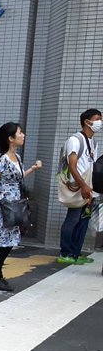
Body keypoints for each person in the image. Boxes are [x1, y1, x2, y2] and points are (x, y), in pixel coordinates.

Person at [0, 123, 43, 292]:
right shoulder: (1, 159)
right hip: (1, 206)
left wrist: (32, 169)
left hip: (14, 204)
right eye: (20, 133)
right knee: (2, 242)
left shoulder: (16, 157)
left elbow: (16, 179)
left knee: (10, 241)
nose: (23, 135)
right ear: (11, 138)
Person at [56, 108, 99, 265]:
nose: (100, 122)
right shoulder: (75, 140)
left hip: (88, 187)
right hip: (78, 186)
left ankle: (75, 252)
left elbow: (91, 166)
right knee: (73, 219)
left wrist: (91, 188)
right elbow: (72, 166)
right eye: (98, 119)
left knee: (83, 220)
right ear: (87, 122)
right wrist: (84, 186)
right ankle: (65, 252)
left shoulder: (93, 142)